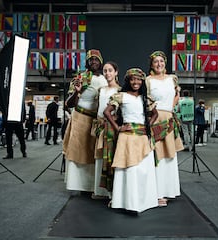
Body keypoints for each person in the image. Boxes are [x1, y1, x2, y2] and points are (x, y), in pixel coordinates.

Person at [103, 68, 159, 213]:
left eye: (139, 79)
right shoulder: (121, 96)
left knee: (142, 170)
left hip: (142, 136)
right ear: (128, 81)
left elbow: (155, 114)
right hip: (126, 137)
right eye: (133, 79)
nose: (136, 82)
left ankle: (144, 202)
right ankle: (126, 202)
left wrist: (148, 126)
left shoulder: (145, 98)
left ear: (142, 81)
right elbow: (106, 112)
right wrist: (117, 128)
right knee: (129, 169)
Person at [63, 49, 108, 193]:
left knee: (92, 152)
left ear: (100, 61)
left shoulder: (107, 78)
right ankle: (79, 185)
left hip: (97, 120)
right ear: (87, 62)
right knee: (78, 150)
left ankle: (92, 185)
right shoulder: (80, 77)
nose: (94, 62)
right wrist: (77, 91)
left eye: (96, 59)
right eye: (91, 60)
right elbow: (68, 104)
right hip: (80, 118)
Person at [145, 50, 183, 207]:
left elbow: (176, 96)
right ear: (152, 64)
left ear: (165, 63)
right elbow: (145, 100)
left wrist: (170, 109)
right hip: (155, 119)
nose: (159, 64)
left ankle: (169, 190)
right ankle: (156, 193)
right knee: (157, 156)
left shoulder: (172, 79)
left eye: (161, 61)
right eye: (156, 61)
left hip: (168, 118)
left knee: (169, 155)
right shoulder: (148, 80)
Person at [93, 61, 121, 199]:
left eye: (110, 70)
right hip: (100, 126)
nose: (107, 73)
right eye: (105, 71)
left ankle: (112, 192)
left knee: (110, 157)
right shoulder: (101, 90)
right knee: (99, 156)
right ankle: (100, 191)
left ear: (116, 72)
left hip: (111, 127)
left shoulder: (120, 91)